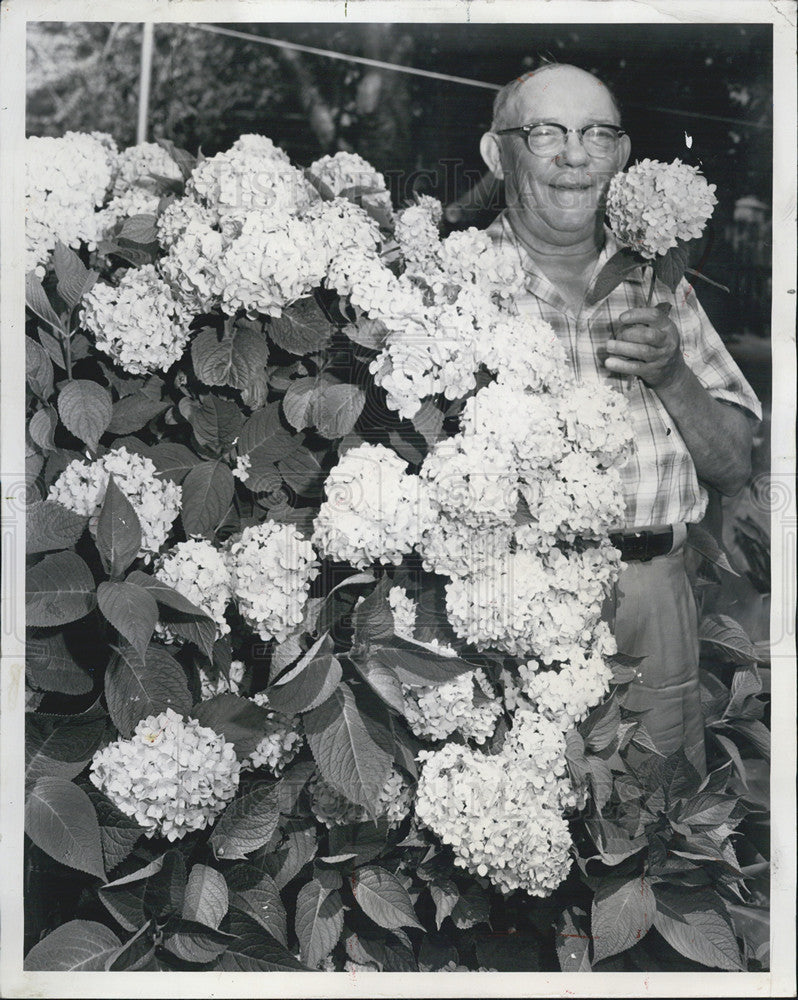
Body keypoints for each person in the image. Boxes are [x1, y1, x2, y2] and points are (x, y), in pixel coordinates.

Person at [479, 64, 762, 774]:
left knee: (657, 837)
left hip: (655, 596)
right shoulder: (458, 283)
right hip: (515, 608)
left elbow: (735, 466)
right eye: (544, 132)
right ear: (496, 153)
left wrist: (671, 373)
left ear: (623, 156)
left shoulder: (658, 282)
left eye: (596, 134)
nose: (575, 155)